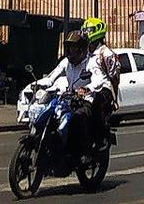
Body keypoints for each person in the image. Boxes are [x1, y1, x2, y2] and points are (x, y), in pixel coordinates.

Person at [40, 29, 111, 157]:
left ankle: (81, 152)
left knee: (77, 118)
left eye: (74, 48)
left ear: (82, 49)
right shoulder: (66, 62)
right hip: (67, 99)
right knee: (51, 114)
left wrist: (86, 89)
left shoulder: (91, 63)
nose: (70, 51)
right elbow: (52, 76)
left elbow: (99, 80)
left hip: (85, 101)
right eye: (69, 47)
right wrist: (41, 83)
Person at [80, 17, 121, 139]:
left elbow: (114, 77)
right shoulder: (85, 53)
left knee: (95, 110)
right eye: (85, 30)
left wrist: (114, 98)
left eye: (89, 30)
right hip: (86, 90)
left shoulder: (106, 53)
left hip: (102, 90)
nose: (86, 33)